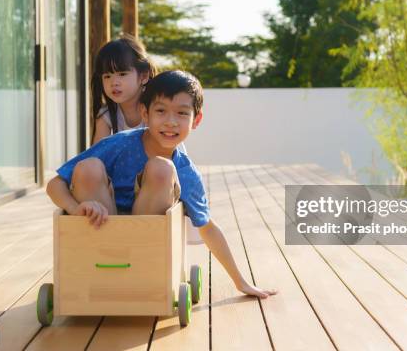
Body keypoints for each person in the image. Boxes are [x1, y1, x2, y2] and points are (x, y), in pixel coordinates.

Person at [46, 70, 278, 299]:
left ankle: (135, 266)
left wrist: (241, 282)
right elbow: (55, 184)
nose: (170, 122)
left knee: (162, 168)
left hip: (146, 245)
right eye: (161, 111)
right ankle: (102, 264)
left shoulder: (185, 171)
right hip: (100, 235)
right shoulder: (118, 144)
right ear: (144, 114)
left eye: (181, 113)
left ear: (196, 119)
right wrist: (76, 209)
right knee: (88, 167)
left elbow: (207, 227)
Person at [90, 35, 156, 145]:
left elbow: (164, 153)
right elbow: (97, 154)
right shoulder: (107, 115)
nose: (114, 82)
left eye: (122, 74)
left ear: (143, 76)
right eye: (107, 76)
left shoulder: (157, 110)